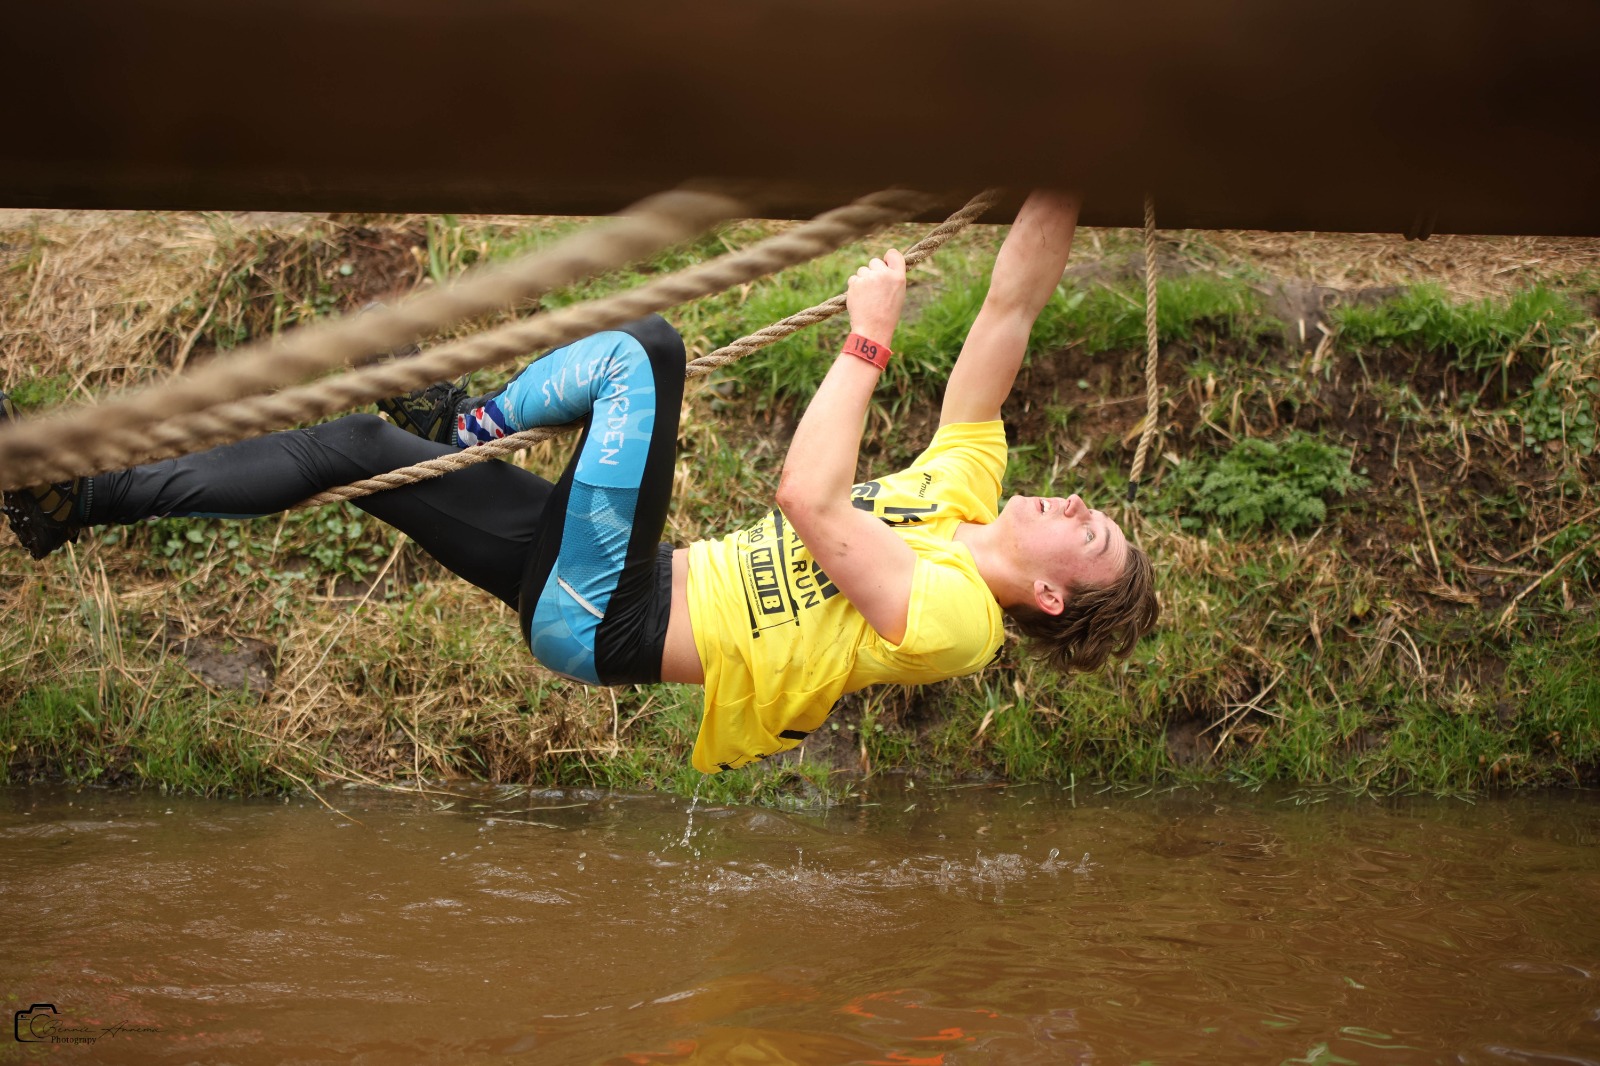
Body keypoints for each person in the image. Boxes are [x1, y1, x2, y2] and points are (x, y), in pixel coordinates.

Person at [3, 191, 1158, 773]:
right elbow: (1010, 309)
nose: (1073, 504)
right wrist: (1076, 149)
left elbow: (808, 501)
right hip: (603, 578)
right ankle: (74, 502)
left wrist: (867, 339)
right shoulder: (963, 492)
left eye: (1091, 532)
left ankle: (465, 424)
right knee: (350, 448)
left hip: (612, 613)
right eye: (1092, 508)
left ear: (1052, 594)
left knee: (641, 356)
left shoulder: (960, 621)